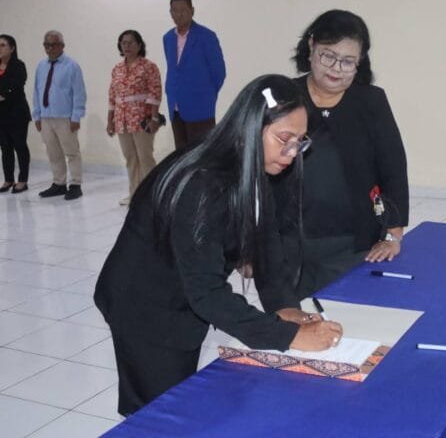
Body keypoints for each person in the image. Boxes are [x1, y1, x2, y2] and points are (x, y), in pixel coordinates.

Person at [94, 74, 342, 417]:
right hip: (145, 305)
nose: (290, 154)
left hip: (181, 295)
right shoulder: (203, 182)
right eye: (284, 139)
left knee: (179, 397)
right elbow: (207, 292)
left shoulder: (256, 165)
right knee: (158, 412)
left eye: (300, 142)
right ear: (251, 127)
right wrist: (286, 336)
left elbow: (267, 244)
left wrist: (285, 306)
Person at [277, 9, 409, 299]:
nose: (336, 68)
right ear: (311, 45)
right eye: (328, 56)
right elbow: (258, 173)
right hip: (289, 242)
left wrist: (393, 235)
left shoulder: (371, 101)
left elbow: (393, 168)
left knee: (348, 313)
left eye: (348, 61)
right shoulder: (284, 98)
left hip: (354, 242)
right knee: (292, 317)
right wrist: (250, 247)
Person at [163, 0, 226, 150]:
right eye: (175, 10)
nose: (179, 14)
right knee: (181, 154)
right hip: (175, 106)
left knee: (201, 153)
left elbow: (219, 72)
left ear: (192, 11)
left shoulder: (206, 36)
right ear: (170, 13)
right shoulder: (168, 38)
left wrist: (206, 95)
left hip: (200, 107)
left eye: (183, 10)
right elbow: (173, 69)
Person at [107, 30, 162, 206]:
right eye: (123, 43)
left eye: (131, 42)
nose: (127, 46)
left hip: (142, 118)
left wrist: (154, 118)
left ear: (139, 45)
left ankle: (152, 196)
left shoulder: (149, 66)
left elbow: (155, 92)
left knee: (145, 157)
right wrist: (110, 121)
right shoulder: (117, 69)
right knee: (130, 158)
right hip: (121, 119)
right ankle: (135, 195)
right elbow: (112, 96)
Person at [32, 31, 87, 200]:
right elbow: (37, 91)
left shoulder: (72, 66)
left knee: (72, 152)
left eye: (53, 44)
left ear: (62, 46)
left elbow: (79, 93)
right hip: (46, 117)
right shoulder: (41, 66)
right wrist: (37, 115)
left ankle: (75, 184)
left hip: (65, 118)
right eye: (46, 45)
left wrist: (76, 116)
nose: (50, 48)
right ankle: (59, 183)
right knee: (53, 152)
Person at [0, 34, 31, 194]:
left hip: (17, 113)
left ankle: (23, 180)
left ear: (12, 48)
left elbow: (16, 85)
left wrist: (4, 94)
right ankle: (8, 179)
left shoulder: (18, 65)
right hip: (1, 114)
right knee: (5, 147)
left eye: (2, 45)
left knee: (20, 146)